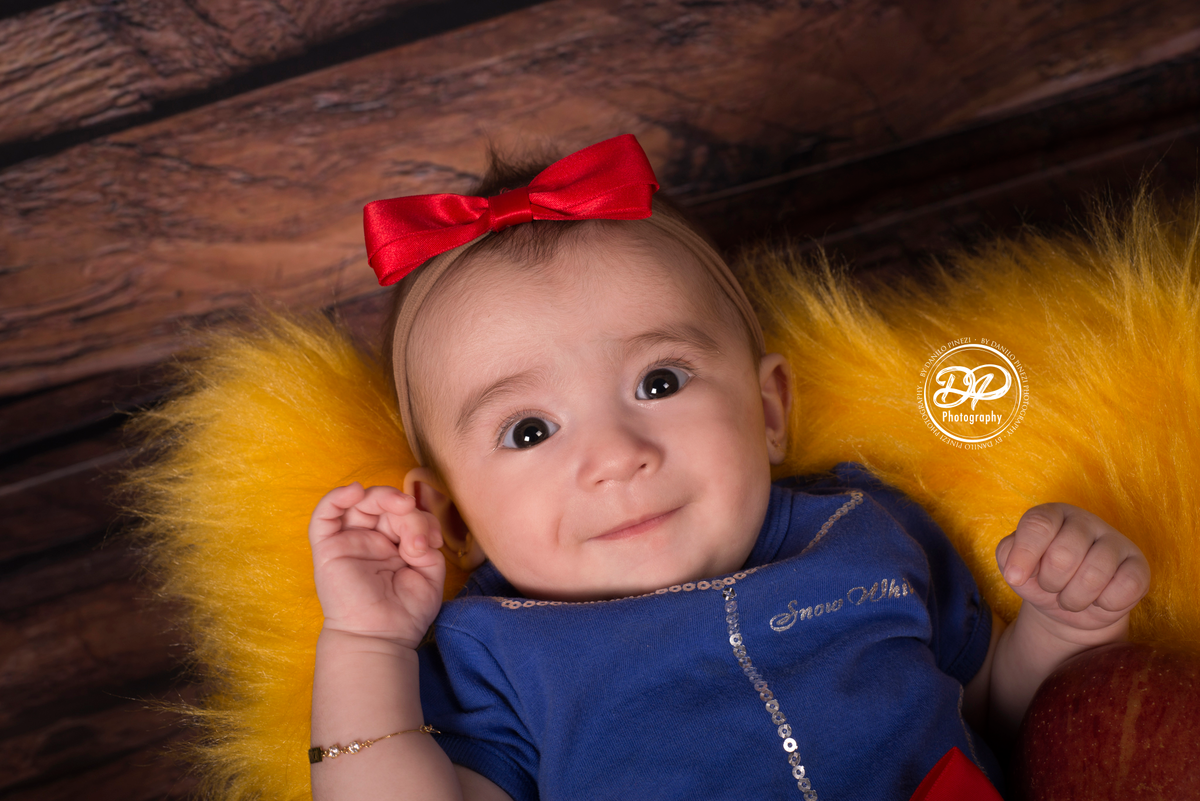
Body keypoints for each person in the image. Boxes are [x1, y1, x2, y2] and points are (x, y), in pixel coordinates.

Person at [305, 135, 1150, 800]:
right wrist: (366, 645)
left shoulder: (864, 529)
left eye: (659, 381)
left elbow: (982, 715)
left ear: (770, 409)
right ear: (450, 517)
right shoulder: (495, 651)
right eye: (529, 430)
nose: (616, 456)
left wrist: (1062, 624)